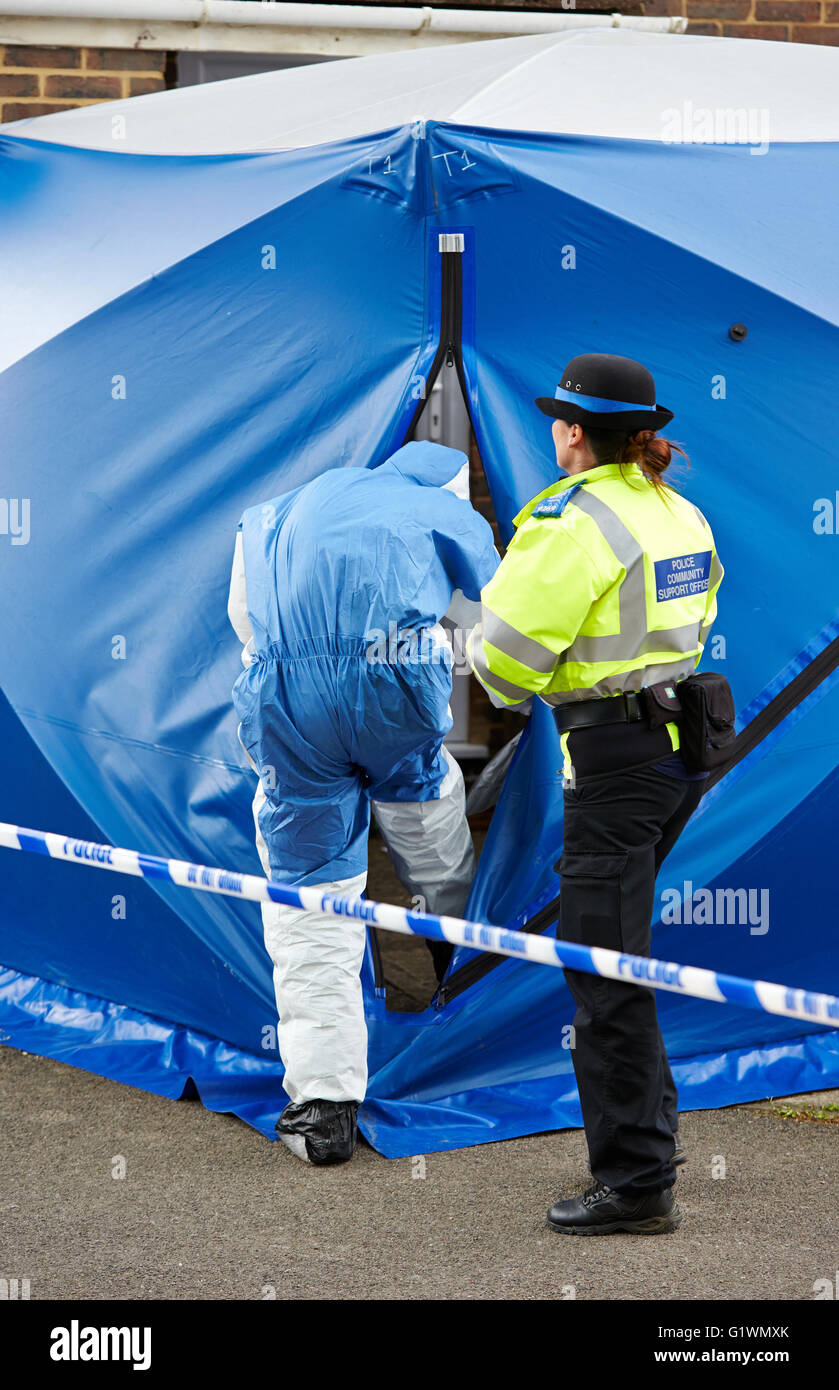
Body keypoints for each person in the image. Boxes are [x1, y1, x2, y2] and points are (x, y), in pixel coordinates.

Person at [468, 353, 724, 1235]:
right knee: (622, 955)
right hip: (679, 753)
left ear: (571, 430)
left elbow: (502, 663)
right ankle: (649, 1141)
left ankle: (638, 1183)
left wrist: (474, 642)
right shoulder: (674, 509)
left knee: (602, 972)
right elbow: (695, 617)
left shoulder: (569, 520)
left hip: (613, 768)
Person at [228, 439, 498, 1166]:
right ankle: (468, 985)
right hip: (393, 693)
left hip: (287, 707)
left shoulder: (270, 514)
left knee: (309, 898)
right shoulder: (440, 507)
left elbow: (246, 621)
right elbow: (496, 613)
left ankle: (322, 1107)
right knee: (432, 834)